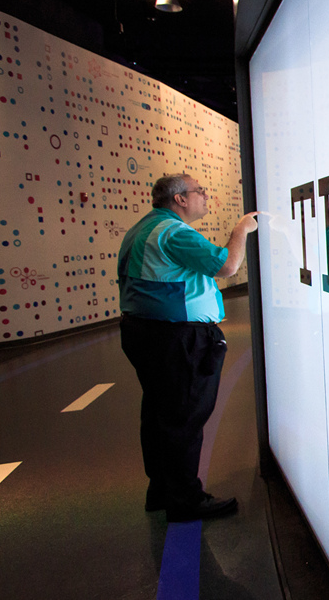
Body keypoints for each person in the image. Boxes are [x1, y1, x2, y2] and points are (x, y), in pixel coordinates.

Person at [117, 173, 258, 522]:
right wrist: (241, 229)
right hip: (176, 337)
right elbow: (226, 265)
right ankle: (185, 500)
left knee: (158, 415)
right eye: (200, 191)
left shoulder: (141, 229)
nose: (205, 196)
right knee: (184, 417)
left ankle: (161, 491)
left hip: (143, 332)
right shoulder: (174, 232)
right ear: (179, 199)